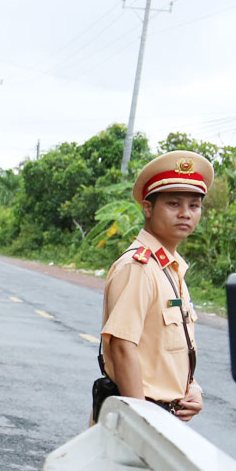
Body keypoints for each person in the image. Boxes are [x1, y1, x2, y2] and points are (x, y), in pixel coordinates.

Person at [97, 151, 212, 423]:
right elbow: (122, 347)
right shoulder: (139, 267)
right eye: (173, 204)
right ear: (148, 208)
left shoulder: (170, 268)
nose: (185, 213)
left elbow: (168, 351)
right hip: (142, 418)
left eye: (194, 206)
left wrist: (192, 388)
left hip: (166, 417)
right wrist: (141, 428)